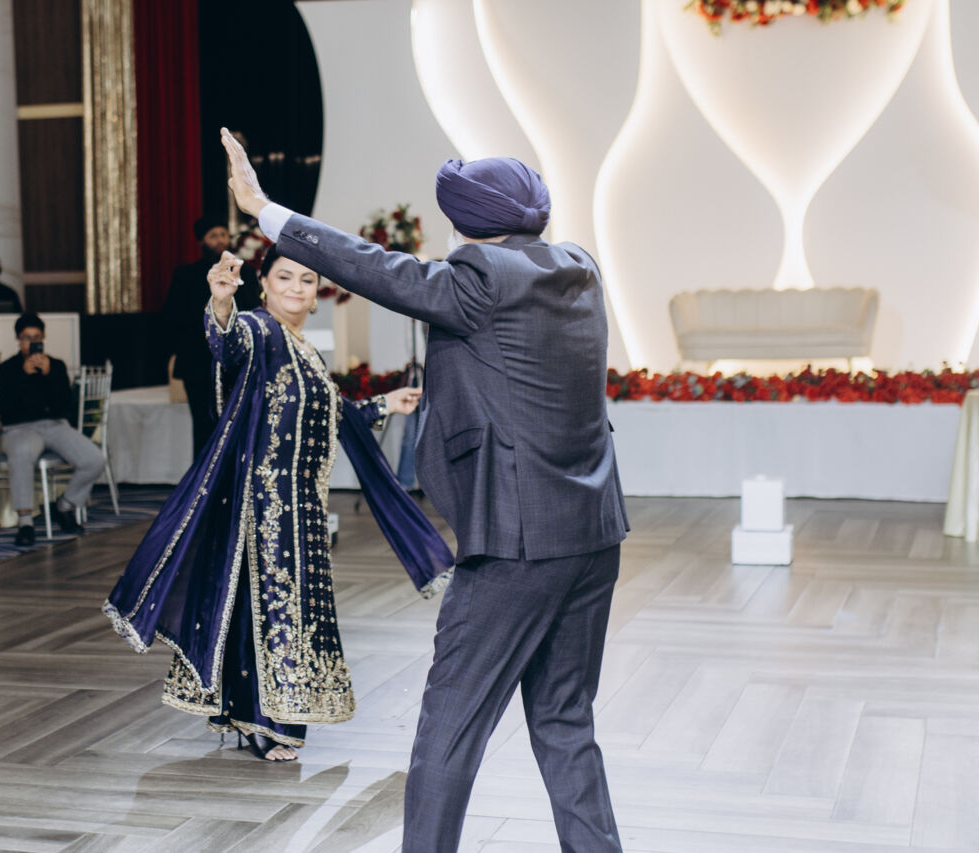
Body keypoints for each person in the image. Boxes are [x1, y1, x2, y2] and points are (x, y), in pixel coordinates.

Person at [222, 130, 629, 850]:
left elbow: (378, 269)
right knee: (566, 720)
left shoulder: (480, 276)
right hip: (592, 532)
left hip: (515, 542)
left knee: (450, 726)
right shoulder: (578, 267)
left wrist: (266, 211)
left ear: (467, 223)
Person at [103, 244, 454, 762]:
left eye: (307, 280)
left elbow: (327, 416)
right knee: (269, 608)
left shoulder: (303, 348)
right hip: (262, 505)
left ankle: (250, 713)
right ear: (264, 284)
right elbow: (227, 344)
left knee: (268, 608)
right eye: (285, 277)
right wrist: (221, 303)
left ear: (316, 294)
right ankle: (262, 722)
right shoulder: (259, 329)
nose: (296, 287)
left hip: (300, 508)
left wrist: (384, 403)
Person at [0, 313, 104, 546]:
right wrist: (22, 375)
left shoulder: (56, 366)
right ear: (18, 339)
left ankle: (66, 504)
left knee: (94, 458)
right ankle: (25, 522)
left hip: (55, 425)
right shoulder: (5, 371)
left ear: (43, 338)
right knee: (21, 453)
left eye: (37, 337)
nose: (32, 343)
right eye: (27, 338)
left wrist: (49, 374)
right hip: (19, 429)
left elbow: (66, 405)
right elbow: (5, 409)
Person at [161, 215, 261, 458]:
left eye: (223, 234)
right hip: (198, 363)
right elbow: (171, 316)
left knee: (238, 426)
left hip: (236, 363)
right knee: (204, 426)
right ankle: (203, 478)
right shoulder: (185, 274)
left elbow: (255, 312)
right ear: (202, 241)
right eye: (213, 236)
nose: (220, 240)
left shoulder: (245, 273)